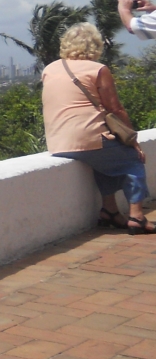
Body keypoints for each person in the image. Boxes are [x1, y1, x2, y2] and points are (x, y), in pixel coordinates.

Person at [42, 22, 153, 234]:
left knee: (105, 161)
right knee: (132, 160)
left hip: (58, 142)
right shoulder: (98, 69)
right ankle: (137, 217)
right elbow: (115, 108)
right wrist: (133, 141)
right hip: (89, 137)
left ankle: (110, 211)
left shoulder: (50, 69)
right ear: (95, 45)